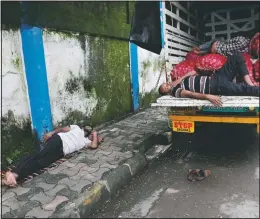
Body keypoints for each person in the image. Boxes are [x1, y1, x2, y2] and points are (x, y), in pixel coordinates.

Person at [2, 124, 103, 187]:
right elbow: (62, 129)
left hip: (61, 152)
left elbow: (94, 145)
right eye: (88, 128)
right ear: (83, 127)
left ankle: (14, 177)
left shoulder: (86, 141)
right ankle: (12, 173)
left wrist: (95, 135)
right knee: (38, 155)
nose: (88, 130)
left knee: (40, 164)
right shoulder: (76, 127)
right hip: (58, 140)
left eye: (90, 130)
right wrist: (51, 133)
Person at [159, 53, 259, 106]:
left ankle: (249, 83)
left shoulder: (178, 81)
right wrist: (208, 97)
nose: (168, 85)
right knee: (244, 89)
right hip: (216, 87)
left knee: (236, 56)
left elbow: (193, 72)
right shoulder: (175, 91)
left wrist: (178, 79)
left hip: (216, 77)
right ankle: (251, 87)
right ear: (167, 92)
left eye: (166, 84)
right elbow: (191, 94)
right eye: (166, 88)